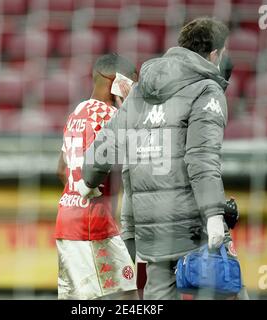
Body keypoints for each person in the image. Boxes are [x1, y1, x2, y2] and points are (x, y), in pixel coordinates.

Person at [79, 17, 243, 299]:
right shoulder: (207, 90)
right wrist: (214, 214)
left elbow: (107, 141)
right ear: (215, 54)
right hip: (194, 222)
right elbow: (202, 157)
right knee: (228, 289)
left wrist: (88, 180)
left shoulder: (142, 89)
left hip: (151, 225)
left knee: (158, 293)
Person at [55, 53, 138, 300]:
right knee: (127, 293)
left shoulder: (77, 112)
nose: (133, 89)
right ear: (115, 80)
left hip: (66, 219)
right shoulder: (110, 115)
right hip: (93, 222)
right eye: (131, 82)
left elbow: (61, 169)